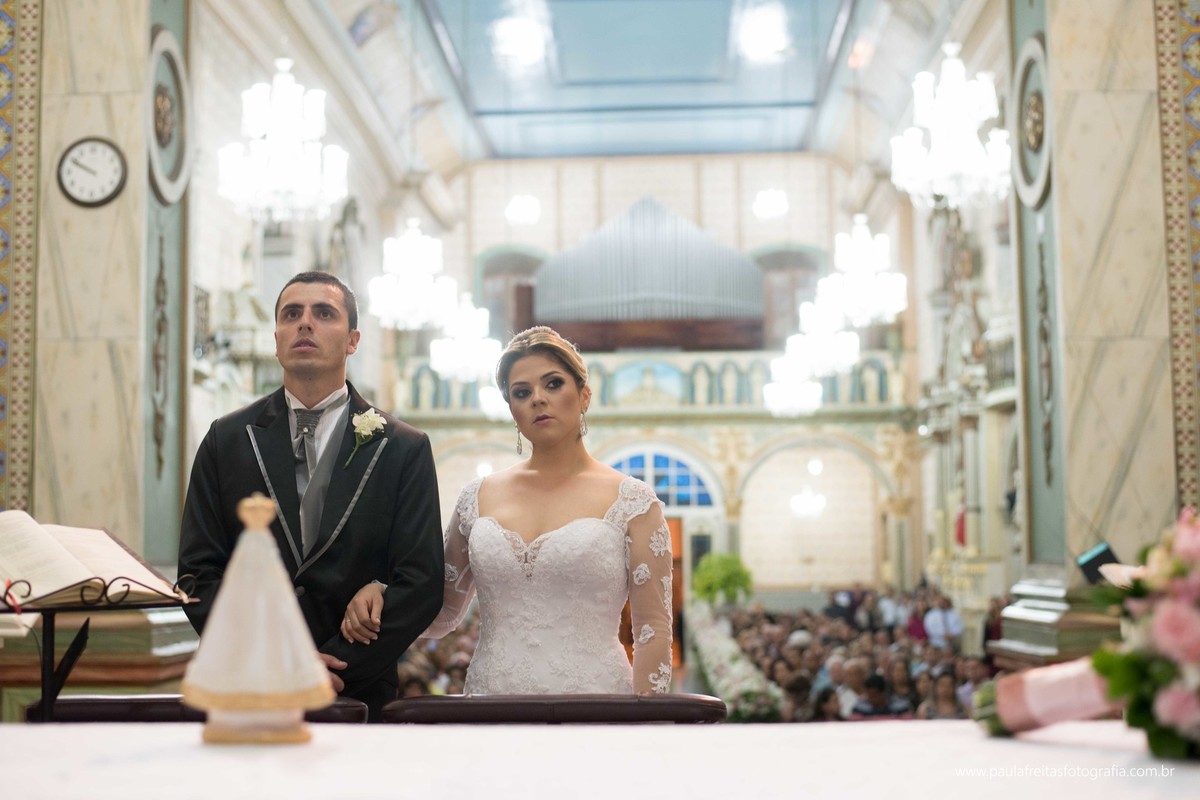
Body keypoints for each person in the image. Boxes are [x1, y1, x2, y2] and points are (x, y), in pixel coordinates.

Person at [345, 326, 673, 694]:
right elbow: (441, 611)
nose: (538, 399)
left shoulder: (633, 502)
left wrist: (648, 722)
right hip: (492, 698)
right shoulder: (478, 497)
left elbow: (652, 630)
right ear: (512, 409)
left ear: (584, 395)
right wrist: (382, 595)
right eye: (522, 392)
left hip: (596, 701)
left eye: (553, 384)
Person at [178, 271, 444, 720]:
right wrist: (272, 658)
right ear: (276, 337)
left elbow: (421, 580)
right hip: (248, 687)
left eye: (324, 313)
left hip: (359, 691)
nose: (306, 323)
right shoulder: (227, 440)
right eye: (292, 314)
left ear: (353, 339)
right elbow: (198, 574)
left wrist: (340, 666)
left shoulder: (402, 447)